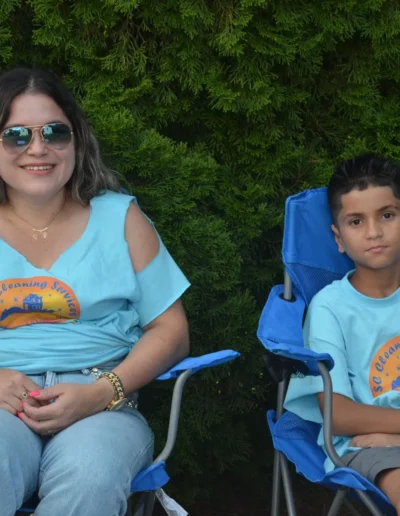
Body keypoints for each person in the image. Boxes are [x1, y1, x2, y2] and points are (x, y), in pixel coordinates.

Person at [0, 67, 190, 516]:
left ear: (77, 140)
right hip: (4, 399)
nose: (38, 148)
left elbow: (172, 331)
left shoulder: (121, 218)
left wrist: (103, 391)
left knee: (90, 475)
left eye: (54, 132)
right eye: (16, 136)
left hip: (102, 402)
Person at [284, 154, 400, 513]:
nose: (374, 232)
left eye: (387, 215)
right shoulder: (330, 308)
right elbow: (339, 415)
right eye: (356, 221)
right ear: (339, 238)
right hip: (369, 449)